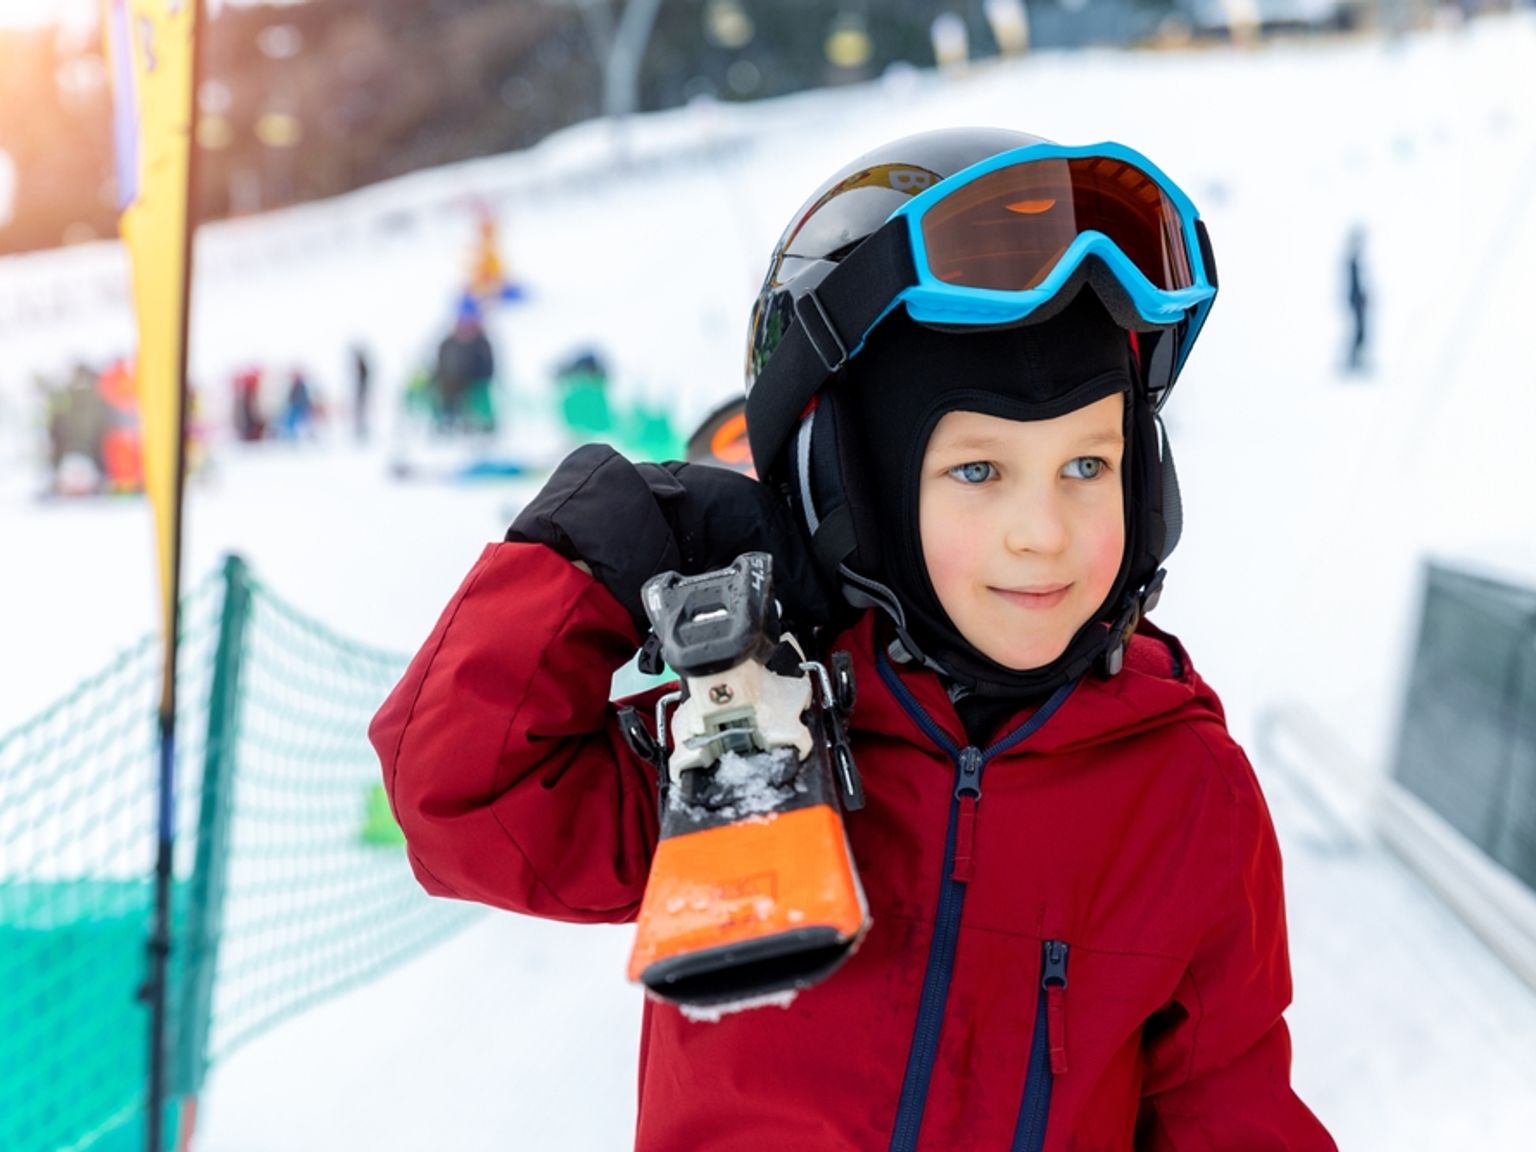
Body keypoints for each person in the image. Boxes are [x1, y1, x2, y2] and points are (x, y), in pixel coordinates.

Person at [370, 128, 1336, 1150]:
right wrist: (602, 541)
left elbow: (1229, 1112)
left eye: (1086, 467)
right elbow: (461, 796)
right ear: (850, 487)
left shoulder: (1186, 793)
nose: (1044, 532)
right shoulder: (750, 733)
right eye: (978, 471)